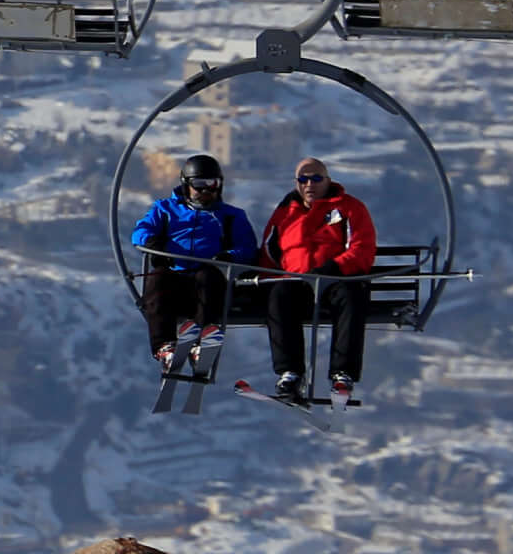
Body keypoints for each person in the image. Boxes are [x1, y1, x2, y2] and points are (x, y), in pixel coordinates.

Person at [262, 155, 377, 403]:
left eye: (316, 179)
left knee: (351, 295)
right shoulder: (285, 212)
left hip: (336, 280)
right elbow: (269, 252)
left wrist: (332, 268)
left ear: (328, 180)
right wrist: (265, 280)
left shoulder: (348, 208)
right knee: (279, 296)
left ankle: (342, 373)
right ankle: (290, 372)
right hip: (296, 281)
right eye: (303, 179)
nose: (309, 185)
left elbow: (362, 249)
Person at [129, 153, 256, 372]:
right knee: (157, 279)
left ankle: (201, 342)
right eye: (199, 184)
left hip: (207, 277)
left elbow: (247, 247)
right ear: (186, 184)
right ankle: (165, 346)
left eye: (212, 184)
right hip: (174, 276)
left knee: (208, 278)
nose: (206, 191)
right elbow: (140, 231)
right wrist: (152, 243)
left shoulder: (231, 216)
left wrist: (229, 256)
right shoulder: (165, 209)